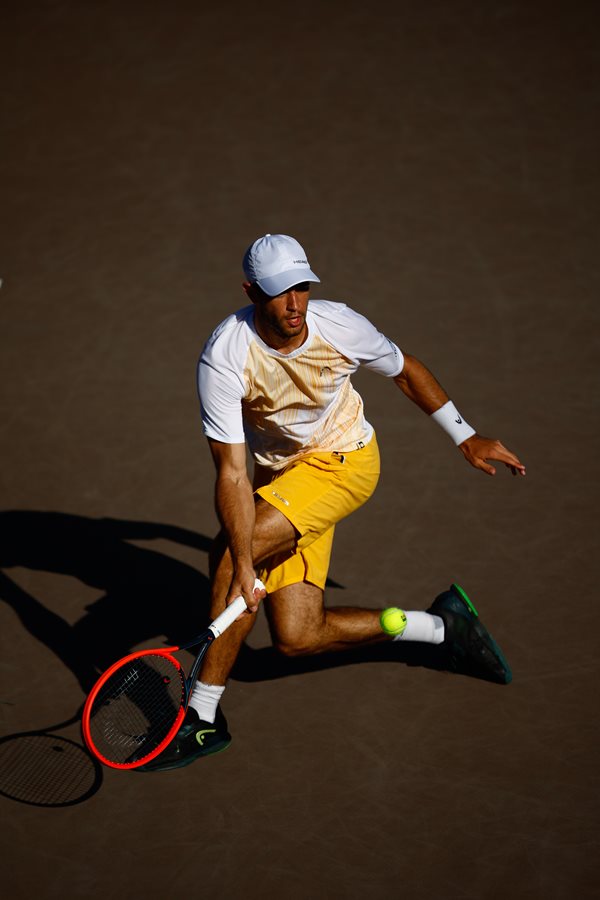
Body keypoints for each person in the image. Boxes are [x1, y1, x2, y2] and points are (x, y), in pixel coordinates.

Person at [140, 233, 526, 772]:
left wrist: (466, 436)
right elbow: (231, 472)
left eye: (301, 287)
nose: (294, 303)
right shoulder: (225, 356)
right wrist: (249, 562)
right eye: (279, 292)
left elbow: (405, 369)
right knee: (297, 636)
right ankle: (441, 628)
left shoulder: (340, 326)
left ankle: (201, 716)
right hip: (281, 478)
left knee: (229, 556)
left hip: (345, 464)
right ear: (251, 293)